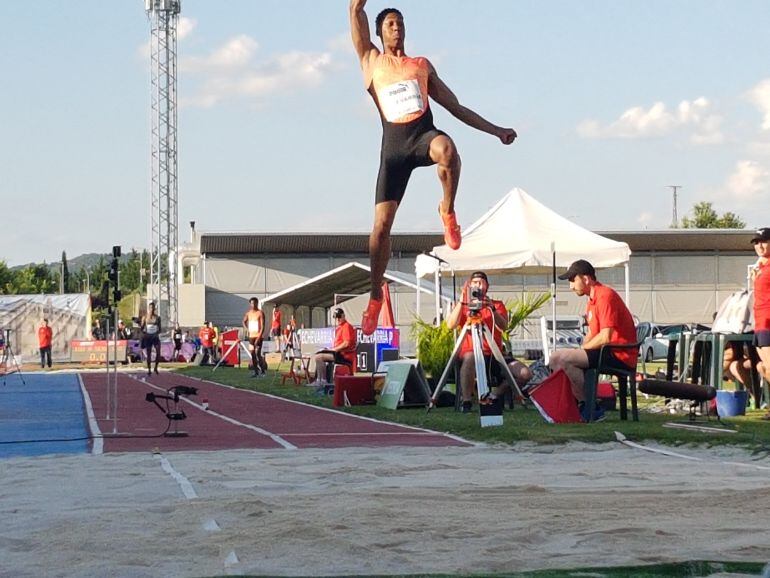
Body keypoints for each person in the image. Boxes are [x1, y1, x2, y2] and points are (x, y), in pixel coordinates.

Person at [349, 1, 517, 335]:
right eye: (391, 24)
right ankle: (373, 297)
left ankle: (447, 209)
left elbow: (455, 106)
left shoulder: (421, 65)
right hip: (394, 150)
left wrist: (496, 130)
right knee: (380, 229)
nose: (397, 28)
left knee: (449, 150)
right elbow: (355, 11)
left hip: (423, 136)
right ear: (380, 32)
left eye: (400, 23)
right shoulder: (371, 60)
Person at [548, 260, 638, 422]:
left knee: (561, 358)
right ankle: (580, 405)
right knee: (556, 358)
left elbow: (605, 337)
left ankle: (591, 408)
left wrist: (579, 351)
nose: (570, 286)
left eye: (573, 280)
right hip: (606, 351)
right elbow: (592, 335)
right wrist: (580, 350)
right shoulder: (592, 301)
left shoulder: (605, 296)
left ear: (586, 279)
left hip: (619, 354)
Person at [446, 272, 530, 413]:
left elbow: (504, 326)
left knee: (525, 373)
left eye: (481, 282)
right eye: (475, 282)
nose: (477, 285)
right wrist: (462, 301)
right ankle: (466, 402)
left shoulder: (496, 305)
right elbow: (450, 325)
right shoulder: (461, 306)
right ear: (469, 285)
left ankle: (493, 395)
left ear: (487, 286)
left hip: (495, 356)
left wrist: (492, 308)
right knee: (469, 357)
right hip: (471, 355)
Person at [749, 228, 770, 419]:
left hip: (768, 321)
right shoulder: (761, 268)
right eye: (756, 242)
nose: (759, 246)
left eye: (763, 241)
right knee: (761, 366)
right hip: (760, 321)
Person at [310, 308, 357, 387]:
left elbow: (346, 343)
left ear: (343, 316)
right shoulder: (340, 327)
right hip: (338, 353)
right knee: (319, 353)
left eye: (339, 317)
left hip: (343, 355)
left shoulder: (346, 326)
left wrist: (333, 349)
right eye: (336, 318)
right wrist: (329, 349)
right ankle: (320, 379)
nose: (338, 319)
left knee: (319, 357)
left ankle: (322, 381)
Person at [243, 297, 267, 377]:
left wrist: (259, 337)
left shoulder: (260, 313)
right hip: (251, 337)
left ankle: (263, 371)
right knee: (252, 354)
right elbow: (243, 321)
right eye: (252, 303)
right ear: (250, 304)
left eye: (255, 303)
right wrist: (247, 329)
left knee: (257, 353)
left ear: (257, 303)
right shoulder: (248, 313)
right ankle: (256, 372)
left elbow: (263, 327)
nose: (253, 305)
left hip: (258, 336)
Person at [140, 302, 162, 376]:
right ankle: (149, 369)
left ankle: (155, 367)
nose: (151, 309)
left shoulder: (157, 318)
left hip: (155, 337)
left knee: (158, 352)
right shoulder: (145, 317)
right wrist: (145, 333)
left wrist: (157, 333)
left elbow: (160, 329)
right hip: (148, 337)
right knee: (148, 354)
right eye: (150, 308)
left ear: (154, 309)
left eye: (153, 308)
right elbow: (142, 328)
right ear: (148, 308)